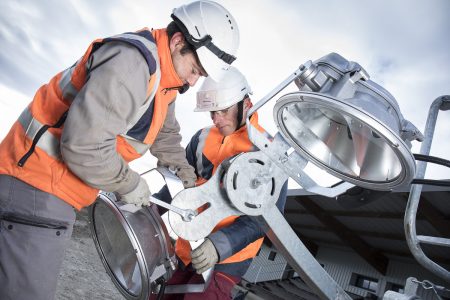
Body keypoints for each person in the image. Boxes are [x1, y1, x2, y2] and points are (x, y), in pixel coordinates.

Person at [0, 1, 240, 299]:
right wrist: (130, 183)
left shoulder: (166, 82)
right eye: (194, 69)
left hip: (49, 187)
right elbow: (83, 146)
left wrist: (188, 181)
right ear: (179, 41)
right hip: (36, 184)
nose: (193, 82)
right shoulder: (133, 65)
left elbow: (165, 136)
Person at [156, 67, 287, 299]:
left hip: (226, 259)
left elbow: (265, 220)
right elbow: (178, 183)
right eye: (212, 113)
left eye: (223, 111)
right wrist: (152, 208)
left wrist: (219, 245)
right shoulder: (202, 137)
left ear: (245, 104)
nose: (217, 119)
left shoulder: (268, 153)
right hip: (188, 246)